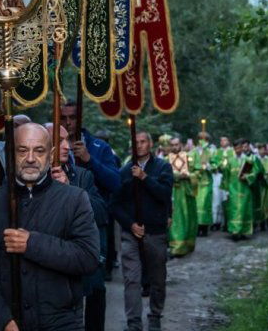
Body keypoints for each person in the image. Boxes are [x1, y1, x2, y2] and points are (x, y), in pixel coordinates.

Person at [0, 123, 100, 331]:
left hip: (62, 323)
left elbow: (88, 258)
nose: (30, 158)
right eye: (22, 150)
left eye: (39, 150)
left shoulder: (74, 199)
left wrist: (32, 243)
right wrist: (2, 321)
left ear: (50, 154)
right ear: (10, 152)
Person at [46, 123, 108, 331]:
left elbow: (101, 213)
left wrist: (71, 190)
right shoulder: (28, 181)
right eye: (59, 141)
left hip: (81, 264)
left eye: (67, 140)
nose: (67, 146)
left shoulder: (82, 176)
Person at [110, 131, 173, 331]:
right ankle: (133, 322)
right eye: (135, 142)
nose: (139, 145)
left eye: (143, 141)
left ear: (151, 144)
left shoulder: (163, 167)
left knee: (157, 278)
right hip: (131, 234)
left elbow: (164, 195)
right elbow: (115, 204)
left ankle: (155, 315)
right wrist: (130, 224)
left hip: (155, 232)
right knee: (131, 279)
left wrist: (145, 178)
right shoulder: (124, 171)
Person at [59, 100, 121, 280]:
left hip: (94, 221)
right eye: (63, 118)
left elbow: (115, 183)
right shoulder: (49, 147)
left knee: (94, 283)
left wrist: (89, 160)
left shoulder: (99, 148)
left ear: (80, 119)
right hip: (60, 222)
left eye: (72, 118)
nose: (68, 122)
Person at [222, 138, 261, 241]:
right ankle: (235, 232)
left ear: (242, 148)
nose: (237, 150)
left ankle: (244, 231)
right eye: (235, 148)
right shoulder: (230, 160)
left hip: (245, 189)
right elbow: (226, 176)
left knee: (245, 210)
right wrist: (226, 190)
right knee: (234, 211)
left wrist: (247, 177)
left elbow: (255, 172)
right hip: (233, 190)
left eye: (239, 148)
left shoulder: (249, 160)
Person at [167, 136, 197, 256]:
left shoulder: (190, 158)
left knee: (188, 217)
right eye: (172, 145)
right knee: (175, 218)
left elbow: (198, 172)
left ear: (182, 144)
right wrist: (175, 176)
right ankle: (176, 246)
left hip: (186, 192)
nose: (175, 147)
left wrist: (189, 175)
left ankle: (187, 244)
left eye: (177, 144)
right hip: (172, 192)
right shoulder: (166, 159)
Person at [190, 132, 215, 236]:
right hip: (195, 182)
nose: (202, 141)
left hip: (206, 182)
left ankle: (204, 227)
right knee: (195, 205)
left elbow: (215, 164)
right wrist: (198, 166)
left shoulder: (210, 152)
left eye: (205, 139)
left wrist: (209, 166)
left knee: (205, 205)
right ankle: (196, 227)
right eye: (200, 139)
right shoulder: (193, 152)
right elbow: (190, 164)